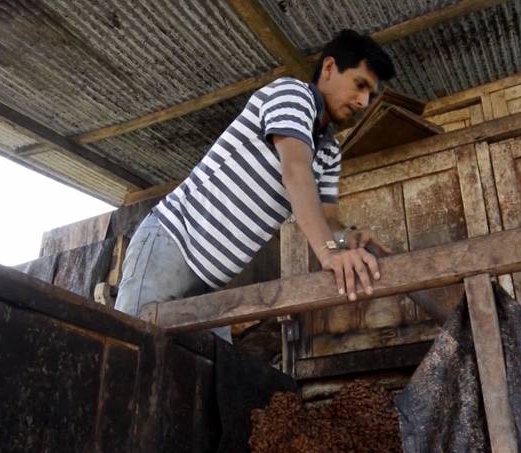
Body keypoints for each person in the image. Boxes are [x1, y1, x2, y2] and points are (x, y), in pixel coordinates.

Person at [115, 29, 396, 341]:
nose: (364, 101)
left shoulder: (329, 151)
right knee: (129, 352)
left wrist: (347, 240)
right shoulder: (293, 95)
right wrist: (330, 253)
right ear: (329, 68)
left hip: (211, 282)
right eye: (360, 85)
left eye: (370, 93)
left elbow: (328, 222)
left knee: (212, 370)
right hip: (171, 245)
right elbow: (294, 172)